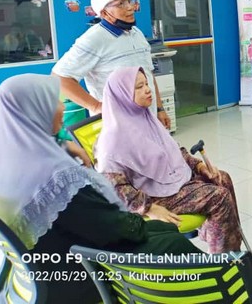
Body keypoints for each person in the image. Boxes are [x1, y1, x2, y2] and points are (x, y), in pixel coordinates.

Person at [0, 74, 201, 304]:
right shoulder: (54, 176)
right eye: (53, 102)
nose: (62, 107)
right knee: (173, 244)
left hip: (34, 275)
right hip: (75, 278)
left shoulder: (11, 159)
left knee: (165, 229)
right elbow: (112, 229)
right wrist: (142, 218)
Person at [95, 66, 242, 253]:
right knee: (219, 197)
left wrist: (199, 166)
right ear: (122, 95)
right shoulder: (112, 139)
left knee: (223, 178)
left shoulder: (146, 119)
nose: (147, 90)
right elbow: (115, 188)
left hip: (171, 181)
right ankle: (224, 261)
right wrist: (148, 208)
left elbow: (174, 150)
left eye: (146, 84)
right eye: (139, 87)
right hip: (153, 196)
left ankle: (225, 242)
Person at [52, 0, 171, 129]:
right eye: (121, 4)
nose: (130, 7)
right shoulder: (94, 39)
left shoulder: (136, 33)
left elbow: (148, 74)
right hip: (117, 125)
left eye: (129, 1)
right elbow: (60, 77)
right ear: (104, 13)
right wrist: (96, 106)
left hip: (147, 118)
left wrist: (159, 108)